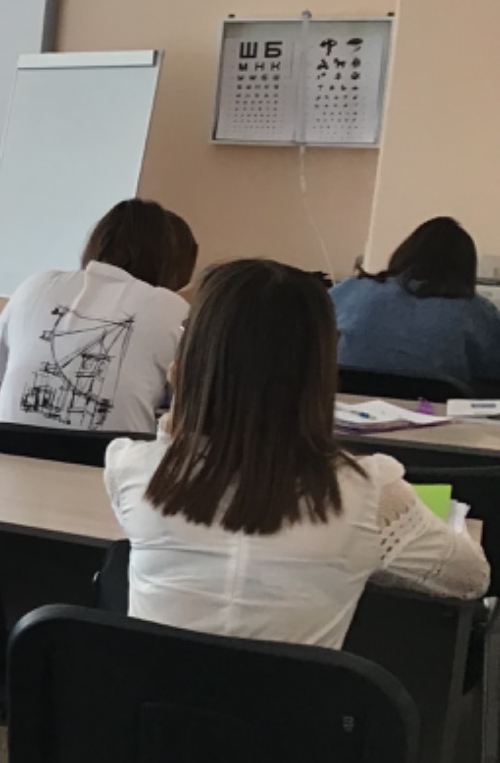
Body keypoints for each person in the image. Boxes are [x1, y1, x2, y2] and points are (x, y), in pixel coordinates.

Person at [107, 257, 488, 649]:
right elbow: (471, 579)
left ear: (189, 361)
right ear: (320, 368)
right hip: (296, 691)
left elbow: (182, 463)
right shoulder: (369, 494)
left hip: (153, 690)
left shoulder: (131, 468)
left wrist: (182, 404)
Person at [0, 198, 198, 433]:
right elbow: (195, 410)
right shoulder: (171, 307)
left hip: (7, 451)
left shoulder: (36, 285)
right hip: (109, 456)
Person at [330, 216, 500, 385]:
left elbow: (317, 335)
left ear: (404, 254)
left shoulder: (352, 290)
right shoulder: (478, 313)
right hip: (433, 401)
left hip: (346, 397)